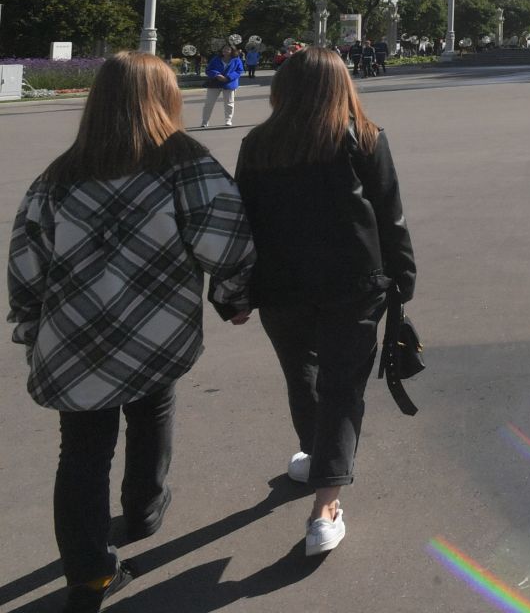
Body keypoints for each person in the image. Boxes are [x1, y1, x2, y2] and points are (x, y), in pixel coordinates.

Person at [7, 52, 255, 612]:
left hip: (73, 339)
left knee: (80, 455)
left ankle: (88, 575)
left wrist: (29, 323)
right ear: (164, 97)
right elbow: (228, 238)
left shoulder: (59, 175)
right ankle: (143, 510)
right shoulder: (185, 163)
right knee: (153, 410)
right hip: (155, 332)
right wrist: (233, 297)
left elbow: (26, 260)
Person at [234, 47, 416, 557]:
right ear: (342, 85)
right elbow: (389, 215)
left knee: (304, 376)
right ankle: (325, 506)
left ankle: (318, 460)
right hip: (353, 283)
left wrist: (238, 288)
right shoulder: (364, 138)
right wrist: (403, 278)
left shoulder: (258, 143)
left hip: (281, 286)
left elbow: (241, 225)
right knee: (342, 387)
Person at [199, 44, 244, 128]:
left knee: (229, 103)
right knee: (209, 103)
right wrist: (217, 75)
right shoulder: (216, 59)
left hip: (229, 83)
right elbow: (208, 70)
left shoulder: (236, 60)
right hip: (215, 83)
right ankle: (205, 121)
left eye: (227, 49)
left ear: (232, 51)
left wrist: (229, 77)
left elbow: (240, 70)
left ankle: (228, 120)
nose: (225, 51)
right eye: (224, 49)